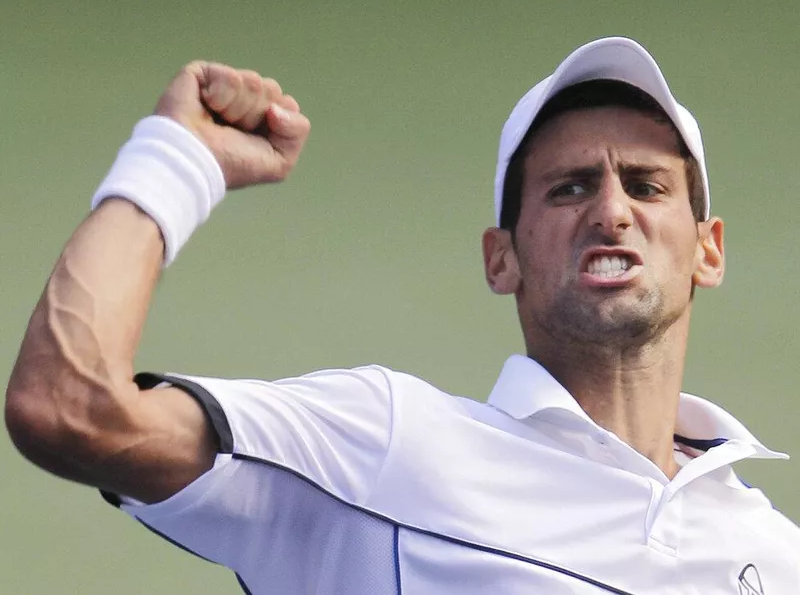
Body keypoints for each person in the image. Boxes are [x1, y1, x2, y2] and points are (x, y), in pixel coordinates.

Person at [4, 36, 798, 594]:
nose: (613, 211)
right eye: (570, 188)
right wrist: (175, 162)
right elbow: (69, 407)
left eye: (648, 185)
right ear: (501, 258)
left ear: (708, 251)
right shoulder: (384, 445)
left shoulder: (774, 552)